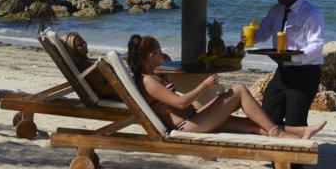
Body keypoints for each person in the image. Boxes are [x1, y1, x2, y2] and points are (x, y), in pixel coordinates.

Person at [126, 34, 325, 139]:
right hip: (189, 125)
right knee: (238, 89)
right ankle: (277, 132)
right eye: (159, 52)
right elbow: (180, 103)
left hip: (194, 117)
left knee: (254, 127)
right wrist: (204, 85)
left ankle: (299, 132)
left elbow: (176, 102)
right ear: (152, 56)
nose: (163, 56)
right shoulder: (148, 81)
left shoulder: (152, 76)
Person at [252, 0, 324, 169]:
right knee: (268, 116)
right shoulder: (276, 11)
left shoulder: (311, 13)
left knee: (295, 120)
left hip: (305, 72)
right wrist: (250, 36)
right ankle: (279, 165)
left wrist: (295, 56)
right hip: (282, 71)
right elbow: (263, 33)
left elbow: (316, 45)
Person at [61, 31, 120, 100]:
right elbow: (103, 89)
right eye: (80, 45)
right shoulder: (87, 66)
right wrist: (123, 84)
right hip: (116, 97)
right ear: (72, 50)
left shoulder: (87, 63)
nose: (84, 45)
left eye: (84, 42)